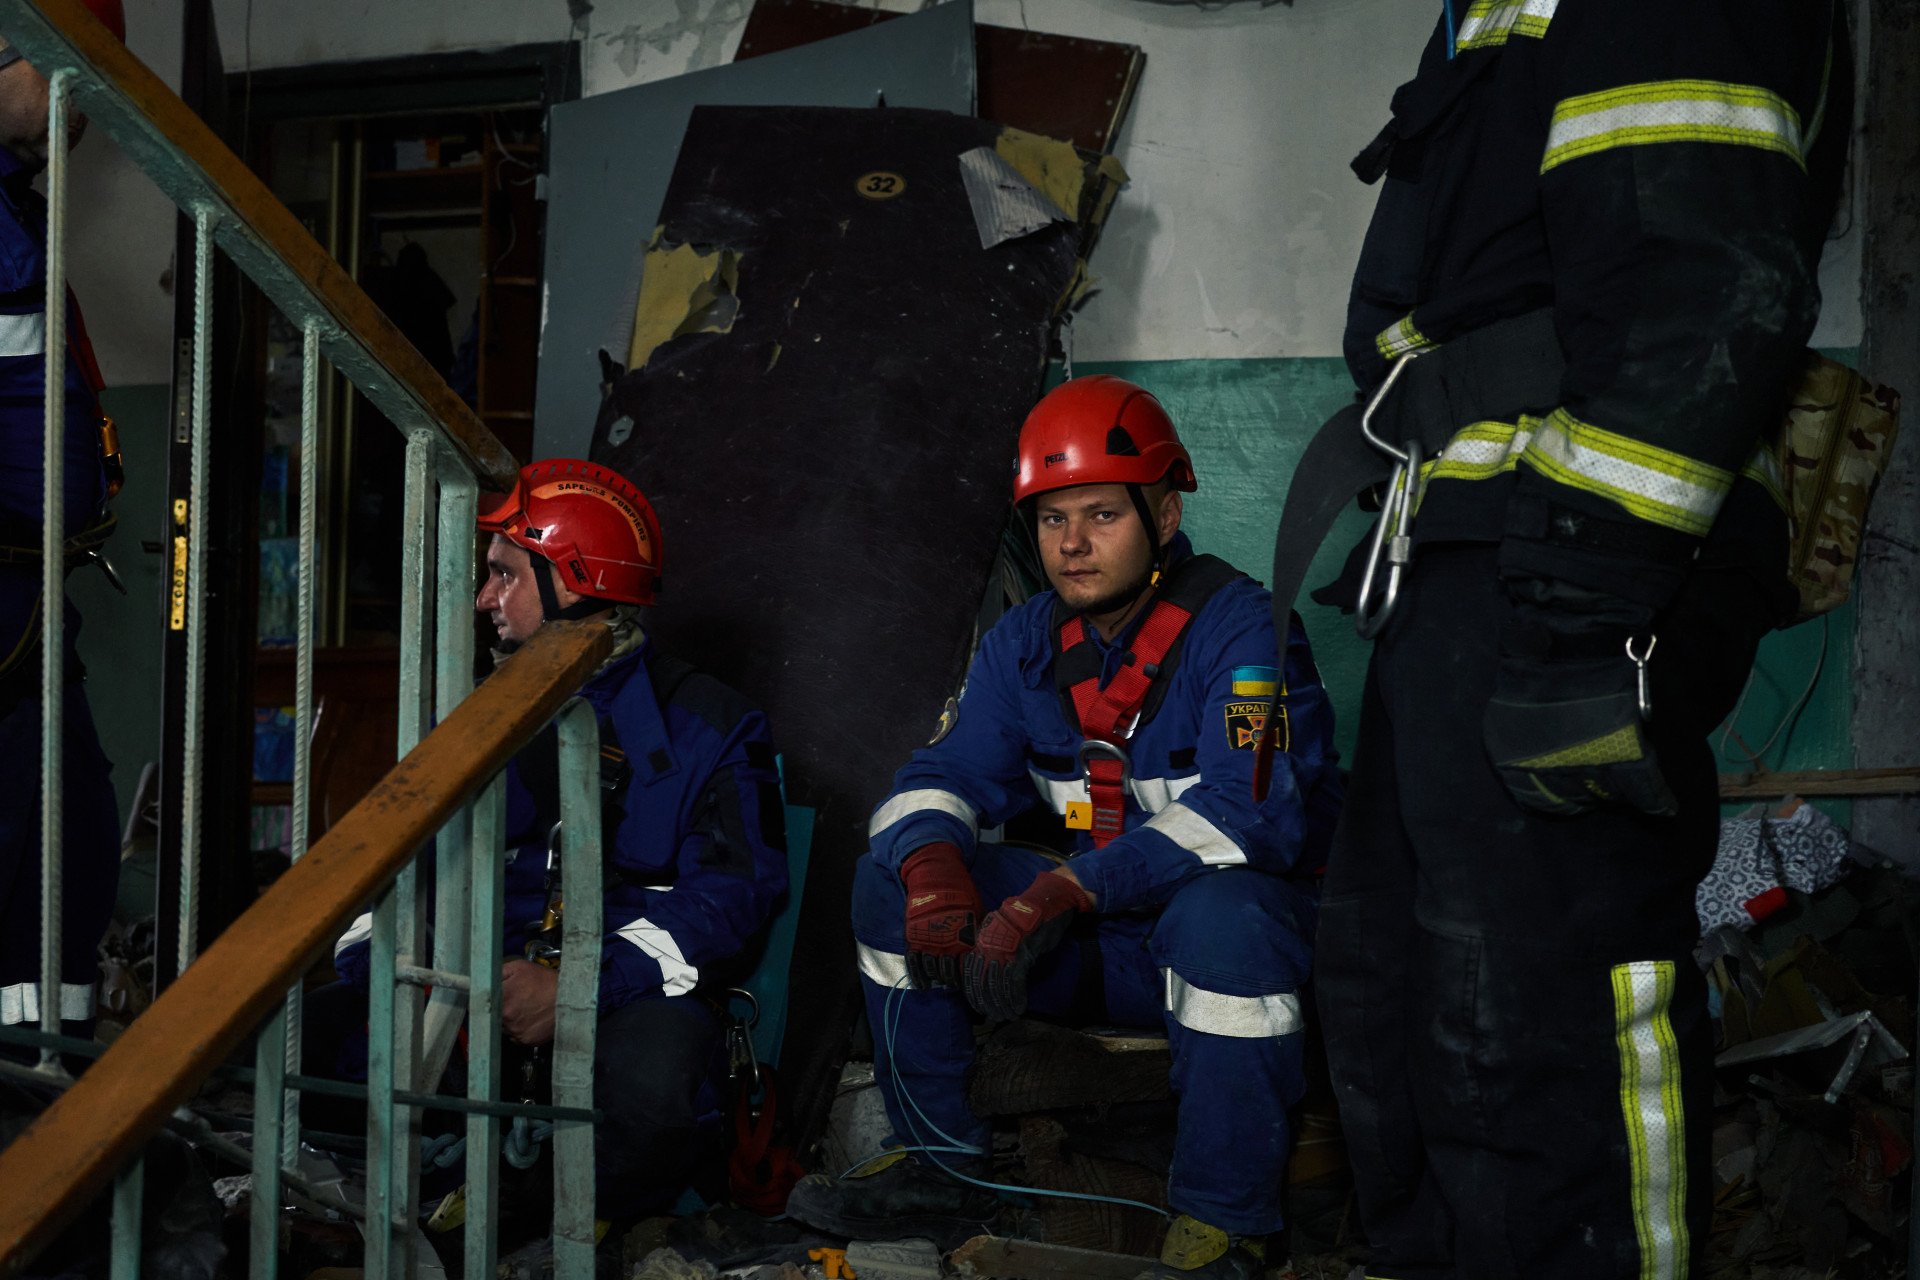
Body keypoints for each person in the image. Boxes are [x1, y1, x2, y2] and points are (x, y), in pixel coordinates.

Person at [1310, 2, 1854, 1277]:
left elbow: (1700, 278)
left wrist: (1585, 593)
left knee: (1541, 997)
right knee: (1403, 985)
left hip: (1572, 554)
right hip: (1465, 545)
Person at [786, 376, 1342, 1279]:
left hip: (1221, 950)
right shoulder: (1024, 643)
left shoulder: (1243, 629)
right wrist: (932, 868)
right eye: (1051, 520)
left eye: (1100, 516)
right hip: (1095, 942)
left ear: (1162, 515)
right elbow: (941, 776)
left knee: (1226, 915)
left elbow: (1253, 814)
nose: (1073, 545)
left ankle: (1223, 1224)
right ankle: (942, 1169)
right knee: (886, 878)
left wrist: (1068, 886)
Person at [321, 458, 789, 1222]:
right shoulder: (473, 722)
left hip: (626, 990)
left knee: (650, 1100)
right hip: (465, 988)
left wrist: (575, 991)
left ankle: (546, 1230)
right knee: (288, 1055)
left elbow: (736, 894)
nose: (483, 600)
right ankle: (413, 1212)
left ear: (573, 582)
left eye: (504, 575)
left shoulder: (711, 724)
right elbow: (393, 875)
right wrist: (411, 977)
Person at [0, 0, 127, 1047]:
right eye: (74, 67)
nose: (85, 105)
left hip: (33, 604)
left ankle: (49, 1090)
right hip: (4, 607)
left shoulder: (15, 213)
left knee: (69, 837)